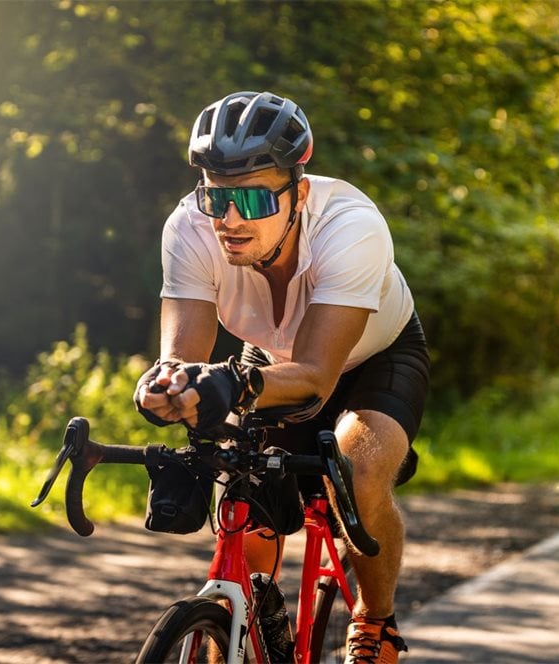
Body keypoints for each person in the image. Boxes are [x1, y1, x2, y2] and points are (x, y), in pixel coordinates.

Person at [134, 90, 430, 664]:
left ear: (298, 190)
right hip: (269, 360)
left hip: (373, 357)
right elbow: (183, 357)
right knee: (246, 490)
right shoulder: (191, 226)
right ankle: (242, 629)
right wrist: (167, 387)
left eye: (252, 198)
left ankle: (375, 622)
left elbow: (317, 377)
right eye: (217, 197)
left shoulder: (351, 228)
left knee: (359, 466)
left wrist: (232, 387)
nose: (230, 219)